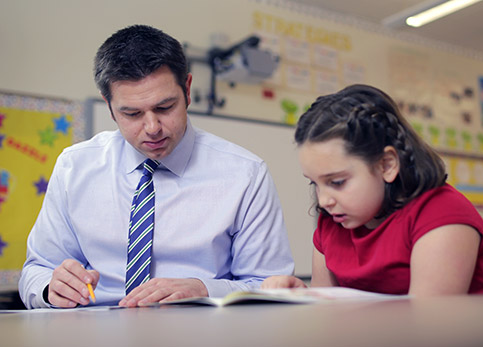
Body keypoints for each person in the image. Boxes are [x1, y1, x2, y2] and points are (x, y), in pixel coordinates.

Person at [19, 24, 294, 309]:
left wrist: (204, 289)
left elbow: (271, 286)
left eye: (165, 108)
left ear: (187, 90)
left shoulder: (246, 175)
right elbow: (36, 271)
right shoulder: (73, 167)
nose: (152, 128)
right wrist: (51, 286)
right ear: (110, 107)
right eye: (132, 113)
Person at [262, 84, 483, 295]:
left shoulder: (441, 213)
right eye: (315, 183)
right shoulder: (332, 224)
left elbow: (430, 328)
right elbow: (328, 316)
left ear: (387, 165)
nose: (324, 201)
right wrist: (305, 299)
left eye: (337, 182)